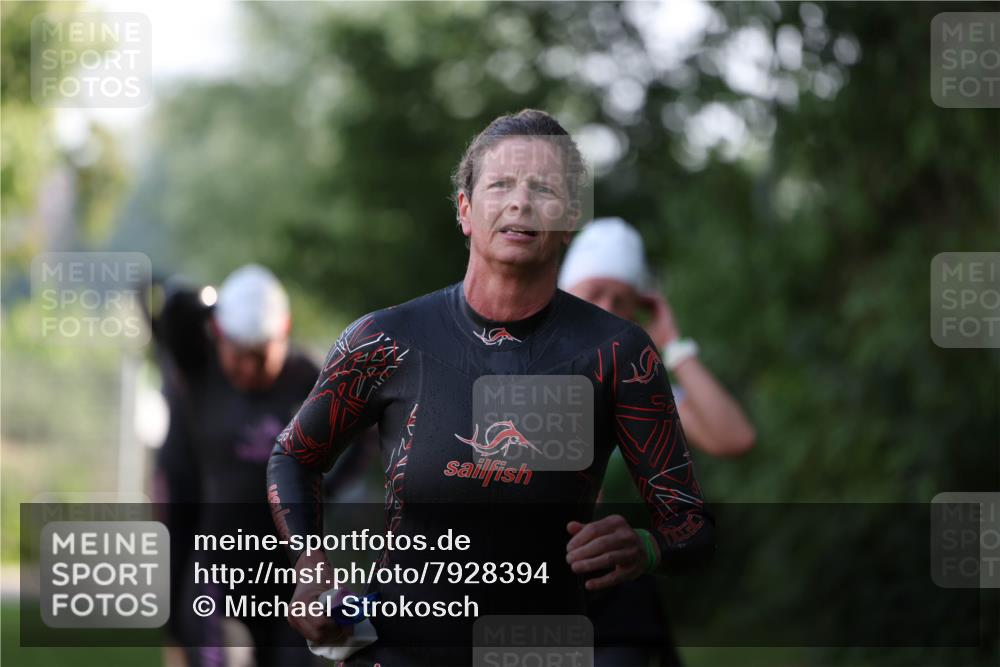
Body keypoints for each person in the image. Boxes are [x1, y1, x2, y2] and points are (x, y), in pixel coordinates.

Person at [267, 109, 715, 666]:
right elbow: (294, 454)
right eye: (500, 184)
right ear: (465, 210)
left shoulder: (617, 353)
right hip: (394, 650)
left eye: (543, 188)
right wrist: (310, 564)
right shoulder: (385, 341)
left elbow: (692, 527)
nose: (520, 202)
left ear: (570, 216)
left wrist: (646, 547)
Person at [560, 218, 756, 666]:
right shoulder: (519, 370)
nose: (608, 308)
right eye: (595, 293)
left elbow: (734, 437)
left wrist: (674, 343)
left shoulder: (638, 390)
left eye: (622, 300)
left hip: (622, 605)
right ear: (565, 294)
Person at [152, 264, 319, 667]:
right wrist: (212, 303)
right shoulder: (202, 373)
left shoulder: (309, 380)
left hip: (289, 578)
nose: (247, 369)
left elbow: (362, 440)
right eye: (237, 356)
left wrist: (328, 484)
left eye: (260, 358)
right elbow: (173, 307)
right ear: (218, 337)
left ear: (284, 332)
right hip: (217, 574)